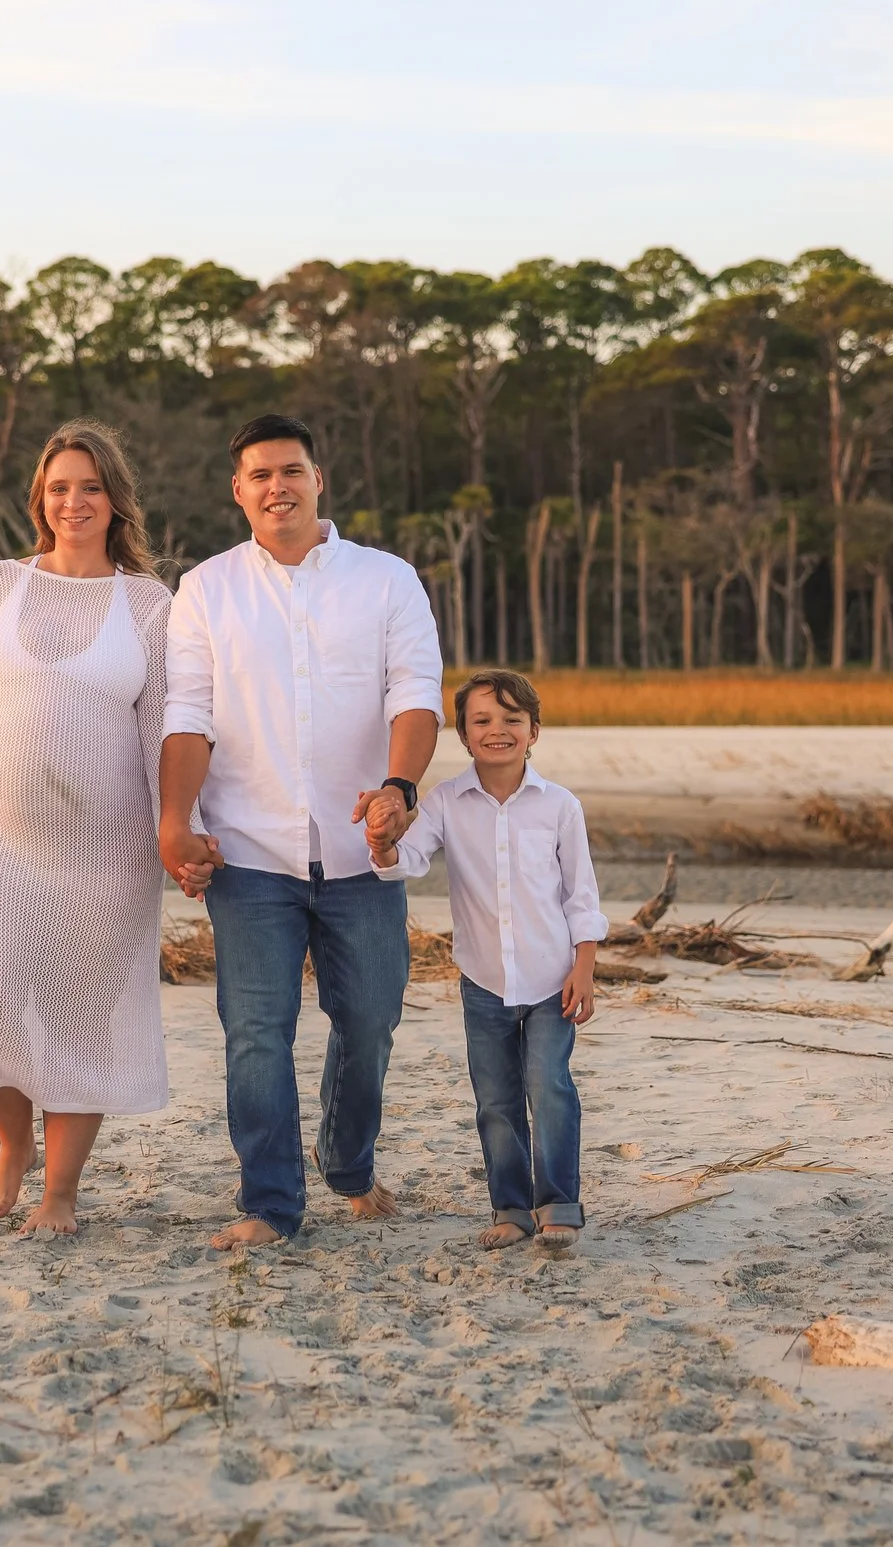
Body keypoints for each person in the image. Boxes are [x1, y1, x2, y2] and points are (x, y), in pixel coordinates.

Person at [160, 413, 445, 1249]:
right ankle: (270, 1203)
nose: (276, 486)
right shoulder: (206, 588)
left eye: (291, 470)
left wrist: (399, 787)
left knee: (369, 1020)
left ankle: (347, 1162)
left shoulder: (387, 579)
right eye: (258, 475)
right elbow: (187, 715)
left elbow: (415, 693)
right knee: (256, 1032)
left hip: (364, 850)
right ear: (238, 491)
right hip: (247, 852)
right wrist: (176, 820)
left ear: (320, 479)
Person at [0, 421, 173, 1237]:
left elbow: (162, 731)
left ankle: (60, 1189)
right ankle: (12, 1145)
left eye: (89, 487)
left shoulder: (149, 604)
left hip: (105, 853)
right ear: (39, 499)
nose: (73, 501)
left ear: (115, 499)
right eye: (59, 488)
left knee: (83, 1014)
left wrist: (175, 831)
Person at [366, 670, 604, 1251]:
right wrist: (383, 842)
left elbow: (582, 895)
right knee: (495, 1100)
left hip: (554, 979)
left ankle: (559, 1206)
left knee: (549, 1086)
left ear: (534, 732)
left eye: (512, 720)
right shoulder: (447, 802)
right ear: (465, 739)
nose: (498, 730)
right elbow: (410, 857)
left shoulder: (560, 807)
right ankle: (511, 1209)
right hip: (483, 981)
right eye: (482, 721)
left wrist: (585, 967)